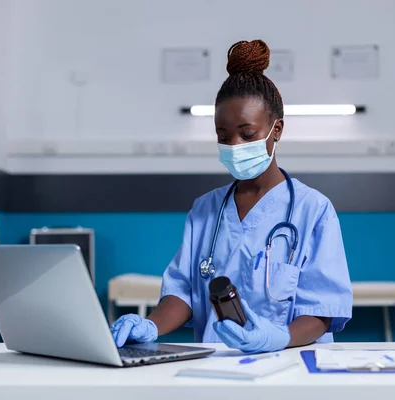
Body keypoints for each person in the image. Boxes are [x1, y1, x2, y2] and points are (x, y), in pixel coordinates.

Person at [111, 39, 352, 354]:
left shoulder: (313, 210)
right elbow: (182, 293)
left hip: (291, 365)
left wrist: (276, 338)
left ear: (276, 130)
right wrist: (151, 325)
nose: (235, 145)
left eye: (247, 134)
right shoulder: (205, 210)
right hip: (215, 367)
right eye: (223, 137)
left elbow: (322, 309)